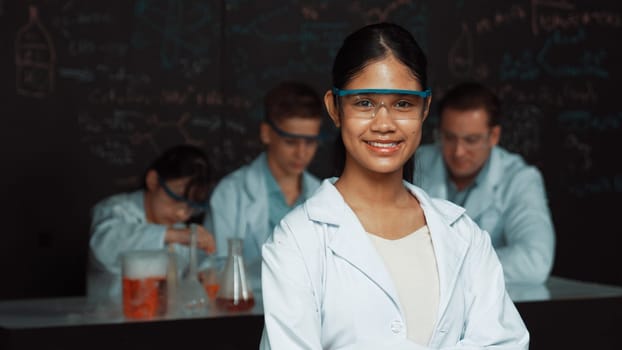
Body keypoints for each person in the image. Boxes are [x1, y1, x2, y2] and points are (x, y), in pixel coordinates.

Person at [260, 23, 529, 349]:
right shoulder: (297, 241)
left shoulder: (462, 234)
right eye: (364, 103)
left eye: (403, 103)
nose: (384, 124)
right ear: (334, 108)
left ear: (425, 109)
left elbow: (506, 343)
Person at [413, 82, 555, 284]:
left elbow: (534, 261)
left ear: (494, 136)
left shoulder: (519, 179)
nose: (458, 151)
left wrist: (449, 268)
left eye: (471, 140)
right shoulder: (415, 164)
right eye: (449, 138)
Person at [204, 80, 324, 293]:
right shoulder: (231, 193)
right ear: (266, 133)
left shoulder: (323, 196)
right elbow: (212, 270)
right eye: (290, 141)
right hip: (246, 317)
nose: (301, 153)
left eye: (310, 142)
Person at [87, 144, 216, 301]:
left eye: (191, 207)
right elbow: (104, 246)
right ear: (153, 181)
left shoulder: (180, 231)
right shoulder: (115, 210)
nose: (182, 214)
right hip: (108, 318)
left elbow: (199, 269)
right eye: (176, 199)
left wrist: (206, 273)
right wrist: (169, 235)